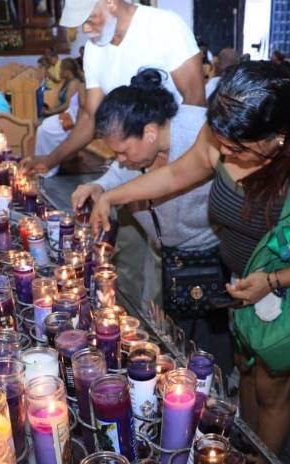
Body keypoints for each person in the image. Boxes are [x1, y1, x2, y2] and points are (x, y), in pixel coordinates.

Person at [88, 62, 290, 453]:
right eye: (220, 141)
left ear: (279, 138)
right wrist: (110, 195)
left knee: (273, 389)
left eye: (238, 150)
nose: (223, 152)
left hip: (287, 291)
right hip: (242, 284)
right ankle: (245, 448)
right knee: (246, 373)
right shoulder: (228, 129)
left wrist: (273, 282)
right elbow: (175, 176)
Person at [70, 68, 231, 373]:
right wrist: (100, 186)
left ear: (150, 132)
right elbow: (124, 170)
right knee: (165, 332)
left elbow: (173, 178)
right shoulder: (139, 149)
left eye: (124, 150)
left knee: (210, 342)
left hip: (207, 255)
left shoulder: (200, 132)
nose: (121, 158)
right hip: (164, 253)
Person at [24, 0, 206, 175]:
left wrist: (171, 164)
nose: (85, 29)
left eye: (89, 20)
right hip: (130, 159)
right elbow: (89, 116)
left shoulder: (164, 26)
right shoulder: (94, 50)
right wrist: (50, 160)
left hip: (177, 155)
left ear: (110, 2)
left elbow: (195, 102)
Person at [35, 59, 87, 176]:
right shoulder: (68, 82)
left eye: (61, 70)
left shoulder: (76, 84)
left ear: (67, 71)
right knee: (42, 127)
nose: (60, 72)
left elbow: (75, 105)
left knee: (43, 129)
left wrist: (51, 112)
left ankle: (48, 166)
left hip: (73, 118)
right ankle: (45, 160)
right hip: (69, 114)